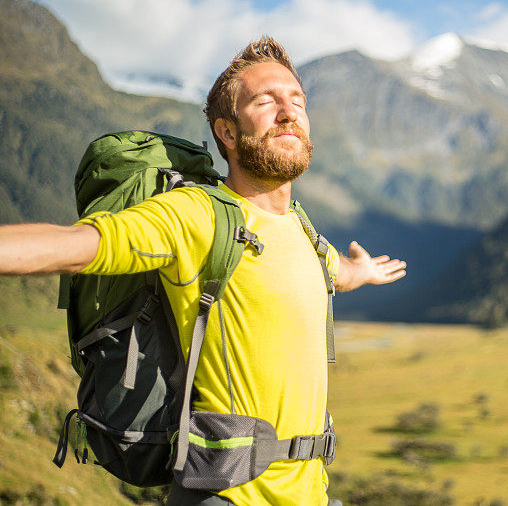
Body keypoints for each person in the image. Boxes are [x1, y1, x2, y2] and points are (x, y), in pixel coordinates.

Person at [0, 36, 406, 505]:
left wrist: (361, 269)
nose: (289, 112)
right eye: (265, 101)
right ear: (228, 133)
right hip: (228, 496)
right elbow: (81, 244)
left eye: (297, 100)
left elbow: (334, 275)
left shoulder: (305, 233)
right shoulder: (199, 216)